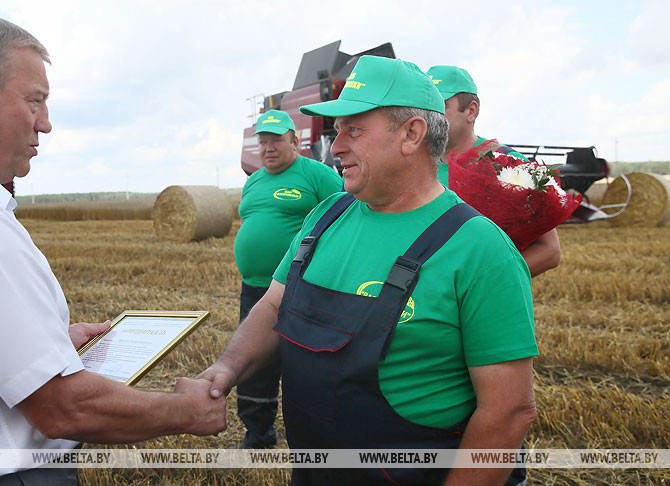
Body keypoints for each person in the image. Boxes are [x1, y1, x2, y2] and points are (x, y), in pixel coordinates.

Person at [0, 15, 225, 484]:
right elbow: (61, 407)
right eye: (35, 101)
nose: (45, 124)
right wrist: (187, 412)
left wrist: (43, 346)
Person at [199, 56, 538, 485]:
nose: (336, 147)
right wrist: (227, 368)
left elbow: (508, 412)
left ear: (412, 134)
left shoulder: (481, 250)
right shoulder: (325, 217)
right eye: (337, 131)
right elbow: (272, 306)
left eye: (353, 129)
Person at [234, 110, 341, 449]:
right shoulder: (253, 180)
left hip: (302, 289)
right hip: (253, 288)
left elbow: (348, 216)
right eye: (263, 141)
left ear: (295, 141)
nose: (268, 147)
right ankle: (257, 433)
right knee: (253, 362)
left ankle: (311, 439)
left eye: (276, 140)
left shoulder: (317, 175)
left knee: (304, 364)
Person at [427, 65, 561, 277]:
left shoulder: (509, 166)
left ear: (471, 111)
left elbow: (549, 251)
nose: (430, 116)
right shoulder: (418, 165)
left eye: (441, 107)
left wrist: (481, 284)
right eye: (426, 107)